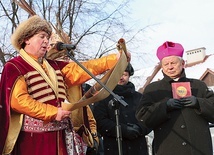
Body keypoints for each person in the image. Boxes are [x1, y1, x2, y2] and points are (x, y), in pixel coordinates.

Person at [0, 15, 128, 155]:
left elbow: (81, 69)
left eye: (47, 37)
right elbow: (18, 100)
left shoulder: (53, 66)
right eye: (41, 36)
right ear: (26, 39)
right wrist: (53, 112)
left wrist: (113, 60)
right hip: (33, 141)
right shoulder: (14, 66)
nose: (46, 41)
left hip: (61, 137)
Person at [135, 41, 214, 155]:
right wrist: (164, 107)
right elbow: (142, 118)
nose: (170, 67)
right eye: (166, 64)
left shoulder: (199, 86)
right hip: (168, 149)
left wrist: (199, 103)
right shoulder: (153, 89)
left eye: (173, 63)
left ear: (183, 63)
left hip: (198, 149)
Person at [93, 63, 150, 155]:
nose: (121, 78)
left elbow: (149, 118)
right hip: (113, 147)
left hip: (138, 147)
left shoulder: (139, 98)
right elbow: (100, 121)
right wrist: (122, 130)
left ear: (129, 75)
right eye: (118, 75)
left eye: (124, 74)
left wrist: (139, 128)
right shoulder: (103, 97)